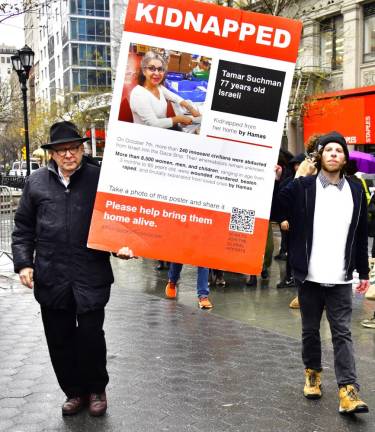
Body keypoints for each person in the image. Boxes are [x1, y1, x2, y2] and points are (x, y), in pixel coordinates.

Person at [11, 121, 135, 417]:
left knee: (92, 336)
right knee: (60, 338)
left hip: (90, 273)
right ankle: (74, 392)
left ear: (83, 149)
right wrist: (24, 263)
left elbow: (119, 219)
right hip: (51, 274)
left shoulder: (99, 178)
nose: (69, 154)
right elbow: (23, 228)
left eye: (74, 148)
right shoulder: (36, 182)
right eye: (62, 150)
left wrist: (124, 245)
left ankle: (96, 389)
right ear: (52, 154)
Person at [273, 131, 370, 414]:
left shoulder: (355, 189)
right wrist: (291, 177)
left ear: (344, 158)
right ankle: (312, 373)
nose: (333, 154)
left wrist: (363, 271)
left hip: (341, 277)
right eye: (328, 150)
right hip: (310, 276)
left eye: (339, 151)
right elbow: (278, 207)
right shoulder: (303, 186)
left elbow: (361, 233)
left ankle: (348, 391)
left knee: (342, 333)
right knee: (310, 331)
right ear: (320, 155)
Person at [130, 51, 200, 129]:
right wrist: (179, 119)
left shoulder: (158, 87)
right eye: (151, 68)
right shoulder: (138, 94)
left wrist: (191, 108)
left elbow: (175, 97)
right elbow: (154, 124)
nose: (156, 73)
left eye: (160, 69)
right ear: (144, 71)